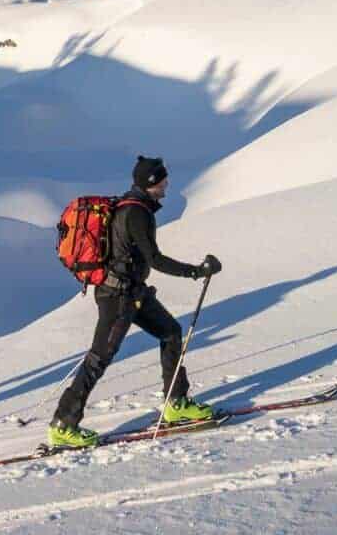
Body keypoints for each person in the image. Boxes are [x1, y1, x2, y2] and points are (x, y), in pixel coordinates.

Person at [49, 156, 223, 448]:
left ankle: (176, 403)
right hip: (117, 296)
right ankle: (63, 424)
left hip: (132, 292)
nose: (167, 185)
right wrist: (196, 271)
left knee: (170, 332)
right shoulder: (137, 213)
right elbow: (154, 259)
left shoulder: (130, 206)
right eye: (163, 181)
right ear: (151, 183)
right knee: (98, 358)